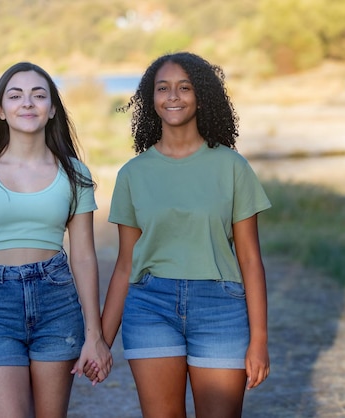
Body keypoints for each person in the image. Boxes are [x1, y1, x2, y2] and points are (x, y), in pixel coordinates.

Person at [92, 52, 271, 417]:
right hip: (150, 308)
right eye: (163, 88)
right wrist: (100, 341)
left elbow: (250, 259)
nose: (173, 96)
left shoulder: (232, 166)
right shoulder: (133, 174)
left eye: (184, 87)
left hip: (221, 308)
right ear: (150, 99)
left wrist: (260, 341)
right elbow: (126, 264)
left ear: (201, 96)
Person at [0, 62, 112, 418]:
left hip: (57, 305)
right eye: (15, 95)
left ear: (51, 110)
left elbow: (83, 258)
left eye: (38, 95)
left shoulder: (74, 173)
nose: (28, 103)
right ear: (1, 111)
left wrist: (94, 335)